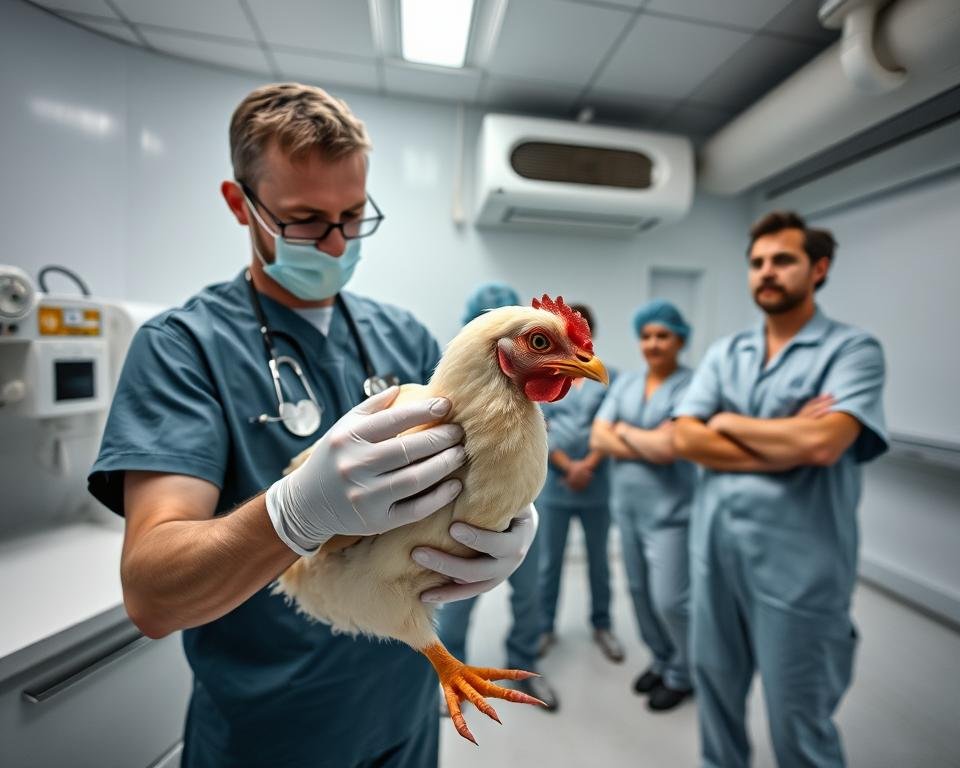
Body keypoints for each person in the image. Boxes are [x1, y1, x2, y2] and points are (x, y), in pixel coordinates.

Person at [87, 83, 537, 768]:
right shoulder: (184, 347)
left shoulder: (405, 337)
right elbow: (151, 594)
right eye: (304, 220)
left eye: (353, 215)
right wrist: (293, 516)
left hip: (406, 710)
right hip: (272, 728)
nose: (334, 244)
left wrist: (506, 529)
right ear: (241, 205)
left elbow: (472, 481)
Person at [674, 211, 888, 767]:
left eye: (783, 260)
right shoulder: (727, 353)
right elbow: (684, 438)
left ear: (818, 268)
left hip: (801, 572)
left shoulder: (853, 351)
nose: (767, 272)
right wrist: (787, 437)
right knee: (716, 701)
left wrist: (728, 423)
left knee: (799, 721)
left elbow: (823, 447)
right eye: (757, 263)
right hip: (717, 559)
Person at [435, 281, 560, 711]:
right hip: (462, 506)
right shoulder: (454, 373)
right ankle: (451, 678)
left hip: (523, 502)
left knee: (529, 594)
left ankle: (525, 666)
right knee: (454, 598)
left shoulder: (541, 368)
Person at [590, 299, 697, 712]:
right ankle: (662, 659)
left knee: (671, 600)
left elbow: (671, 447)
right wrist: (645, 439)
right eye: (647, 336)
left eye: (662, 336)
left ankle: (684, 674)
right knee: (639, 594)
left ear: (679, 339)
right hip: (628, 510)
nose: (653, 344)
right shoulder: (627, 383)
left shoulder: (692, 385)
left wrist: (624, 431)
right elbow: (598, 438)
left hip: (671, 515)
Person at [536, 303, 623, 664]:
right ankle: (543, 628)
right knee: (548, 562)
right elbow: (540, 425)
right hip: (555, 487)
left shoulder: (609, 377)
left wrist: (587, 465)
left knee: (600, 562)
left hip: (596, 485)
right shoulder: (548, 374)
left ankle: (602, 625)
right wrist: (567, 467)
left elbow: (611, 424)